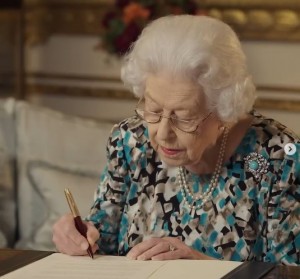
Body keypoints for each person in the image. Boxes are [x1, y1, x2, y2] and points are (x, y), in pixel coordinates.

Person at [52, 15, 300, 265]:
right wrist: (79, 238)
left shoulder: (279, 157)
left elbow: (289, 273)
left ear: (225, 112)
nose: (162, 134)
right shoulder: (129, 143)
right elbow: (100, 242)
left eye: (184, 118)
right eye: (154, 110)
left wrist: (200, 266)